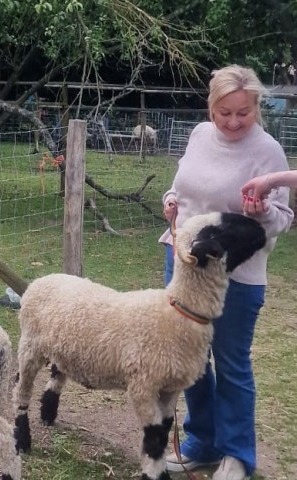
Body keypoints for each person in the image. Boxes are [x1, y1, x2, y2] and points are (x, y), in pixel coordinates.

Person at [159, 65, 294, 480]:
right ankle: (202, 442)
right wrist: (169, 199)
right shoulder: (200, 135)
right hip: (183, 260)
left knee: (231, 362)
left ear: (256, 107)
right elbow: (182, 185)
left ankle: (238, 455)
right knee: (190, 356)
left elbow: (283, 219)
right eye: (224, 113)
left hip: (235, 273)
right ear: (211, 108)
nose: (233, 122)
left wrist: (264, 210)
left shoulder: (268, 151)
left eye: (243, 113)